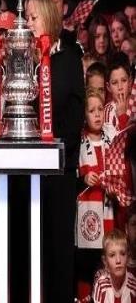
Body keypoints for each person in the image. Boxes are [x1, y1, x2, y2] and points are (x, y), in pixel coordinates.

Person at [25, 0, 85, 303]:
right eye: (26, 17)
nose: (28, 23)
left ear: (48, 18)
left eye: (33, 18)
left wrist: (53, 149)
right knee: (32, 250)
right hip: (27, 171)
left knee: (59, 250)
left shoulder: (70, 59)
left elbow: (74, 116)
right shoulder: (24, 60)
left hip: (60, 172)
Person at [76, 88, 117, 301]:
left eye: (100, 109)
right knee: (87, 262)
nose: (97, 114)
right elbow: (73, 174)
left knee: (106, 258)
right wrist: (84, 178)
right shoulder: (80, 141)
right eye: (92, 111)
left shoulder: (111, 137)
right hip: (87, 212)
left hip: (108, 209)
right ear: (84, 114)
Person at [92, 229, 136, 302]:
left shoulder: (133, 285)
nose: (118, 260)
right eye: (112, 255)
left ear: (128, 257)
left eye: (122, 254)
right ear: (105, 261)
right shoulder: (101, 285)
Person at [104, 53, 133, 132]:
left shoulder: (134, 105)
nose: (120, 87)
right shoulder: (107, 111)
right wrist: (121, 117)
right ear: (108, 87)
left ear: (130, 82)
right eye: (114, 83)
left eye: (124, 80)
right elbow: (111, 140)